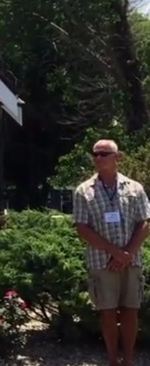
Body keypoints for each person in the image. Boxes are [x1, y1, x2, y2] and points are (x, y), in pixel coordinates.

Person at [72, 139, 150, 366]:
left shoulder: (134, 188)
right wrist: (115, 252)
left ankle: (128, 360)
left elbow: (144, 222)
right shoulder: (83, 191)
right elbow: (82, 227)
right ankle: (113, 361)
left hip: (131, 261)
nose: (98, 158)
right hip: (101, 262)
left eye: (104, 154)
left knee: (130, 311)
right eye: (95, 154)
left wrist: (127, 253)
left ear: (118, 157)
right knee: (107, 311)